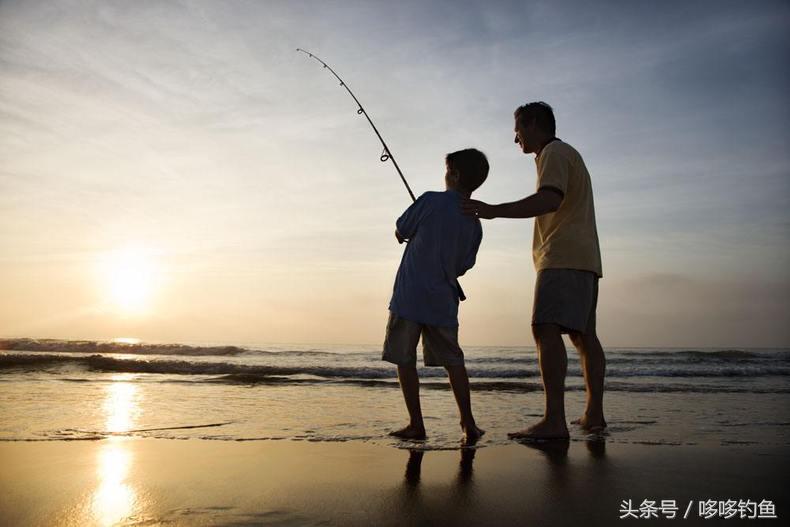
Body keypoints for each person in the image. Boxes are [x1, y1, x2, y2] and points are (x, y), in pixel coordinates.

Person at [462, 102, 606, 440]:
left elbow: (549, 200)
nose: (516, 139)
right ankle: (594, 415)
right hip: (585, 258)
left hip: (562, 255)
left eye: (518, 129)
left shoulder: (554, 152)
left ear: (535, 124)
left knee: (544, 328)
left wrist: (494, 210)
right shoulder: (567, 153)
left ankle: (554, 420)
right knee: (583, 336)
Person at [383, 148, 488, 445]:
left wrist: (407, 234)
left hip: (409, 295)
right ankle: (468, 424)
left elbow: (400, 229)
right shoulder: (474, 222)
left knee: (405, 359)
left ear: (453, 174)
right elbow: (465, 265)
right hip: (443, 299)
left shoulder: (429, 200)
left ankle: (416, 424)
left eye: (446, 171)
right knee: (454, 360)